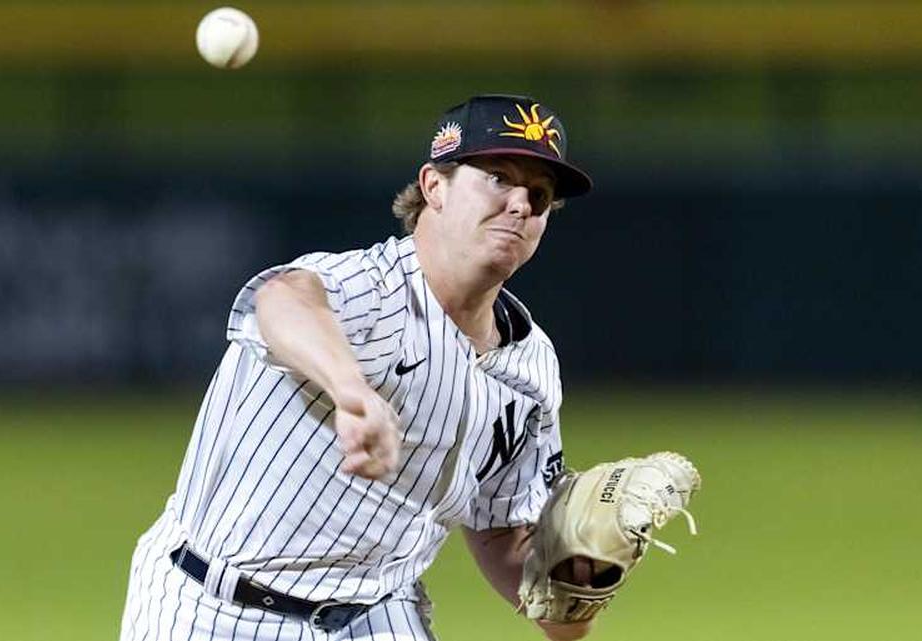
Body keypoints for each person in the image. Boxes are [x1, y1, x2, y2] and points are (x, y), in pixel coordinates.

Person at [120, 94, 596, 641]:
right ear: (434, 187)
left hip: (376, 617)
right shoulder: (373, 291)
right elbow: (282, 299)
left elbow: (505, 540)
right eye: (497, 177)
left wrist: (581, 575)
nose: (519, 203)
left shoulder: (531, 369)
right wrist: (353, 392)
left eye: (539, 196)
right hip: (213, 606)